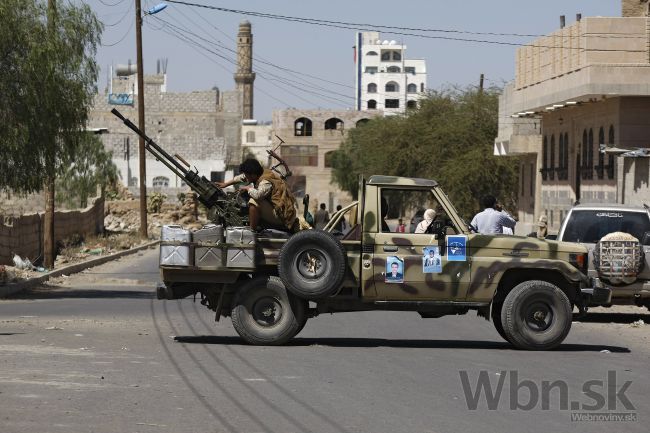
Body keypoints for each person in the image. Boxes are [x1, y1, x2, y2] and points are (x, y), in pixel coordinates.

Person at [217, 158, 298, 232]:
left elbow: (258, 195)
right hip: (277, 210)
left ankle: (251, 232)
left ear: (253, 175)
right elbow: (242, 177)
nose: (246, 177)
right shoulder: (260, 172)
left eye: (247, 175)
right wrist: (225, 184)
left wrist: (248, 188)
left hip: (282, 217)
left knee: (254, 202)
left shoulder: (265, 182)